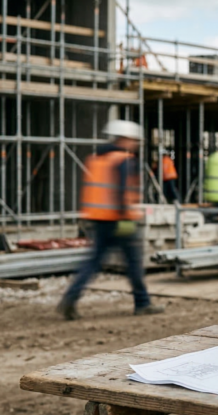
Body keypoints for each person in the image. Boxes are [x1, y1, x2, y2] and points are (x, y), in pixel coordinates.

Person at [57, 120, 164, 320]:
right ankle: (142, 303)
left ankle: (70, 298)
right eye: (133, 140)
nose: (135, 144)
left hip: (98, 219)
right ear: (123, 139)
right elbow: (121, 191)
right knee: (133, 262)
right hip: (119, 219)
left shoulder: (96, 159)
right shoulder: (123, 160)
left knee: (93, 262)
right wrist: (126, 219)